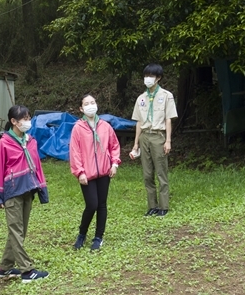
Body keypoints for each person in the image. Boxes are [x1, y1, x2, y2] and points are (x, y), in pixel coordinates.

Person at [0, 105, 49, 283]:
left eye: (28, 117)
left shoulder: (31, 141)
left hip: (28, 189)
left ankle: (4, 268)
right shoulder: (4, 144)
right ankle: (27, 270)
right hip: (12, 192)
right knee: (16, 230)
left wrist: (42, 188)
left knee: (19, 230)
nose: (27, 121)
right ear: (13, 122)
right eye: (23, 118)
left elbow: (37, 165)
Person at [70, 94, 121, 251]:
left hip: (105, 172)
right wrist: (80, 172)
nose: (90, 105)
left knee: (102, 205)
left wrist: (114, 164)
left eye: (93, 102)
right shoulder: (78, 128)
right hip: (87, 174)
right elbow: (75, 152)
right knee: (91, 204)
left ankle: (98, 237)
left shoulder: (105, 126)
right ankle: (82, 234)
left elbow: (114, 145)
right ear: (81, 108)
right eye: (86, 103)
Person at [130, 63, 178, 217]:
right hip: (144, 135)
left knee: (161, 172)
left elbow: (168, 119)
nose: (147, 79)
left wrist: (168, 140)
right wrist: (135, 144)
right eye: (146, 76)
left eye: (151, 76)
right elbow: (138, 122)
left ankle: (163, 206)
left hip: (158, 136)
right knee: (147, 173)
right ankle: (152, 206)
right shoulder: (141, 98)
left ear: (158, 78)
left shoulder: (166, 95)